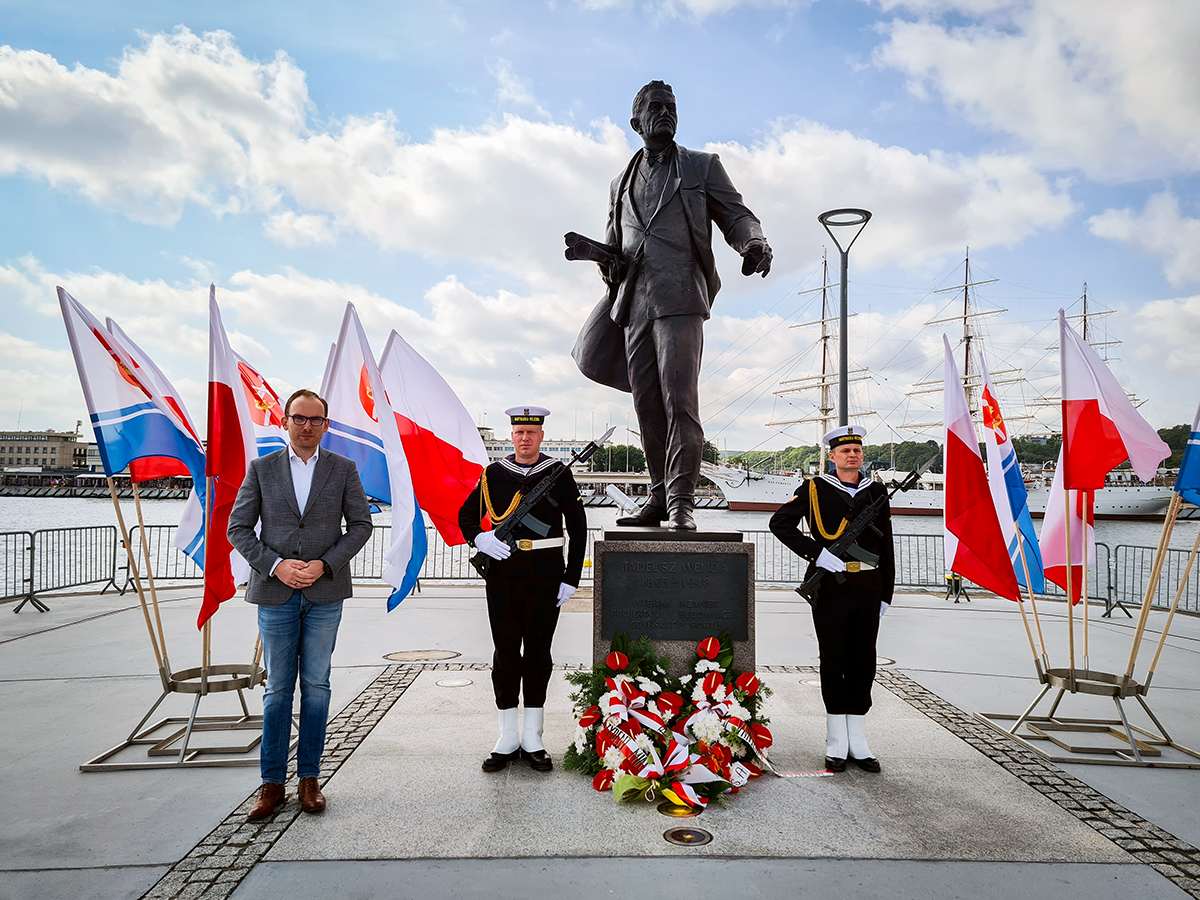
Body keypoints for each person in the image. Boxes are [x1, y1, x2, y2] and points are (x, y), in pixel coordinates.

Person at [572, 80, 772, 532]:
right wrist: (597, 256)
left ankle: (683, 500)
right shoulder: (618, 183)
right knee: (648, 407)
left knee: (679, 402)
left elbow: (737, 214)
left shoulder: (702, 167)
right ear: (635, 122)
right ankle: (659, 494)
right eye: (656, 108)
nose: (666, 113)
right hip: (633, 305)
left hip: (680, 297)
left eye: (671, 107)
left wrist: (754, 242)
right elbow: (614, 247)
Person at [228, 389, 373, 819]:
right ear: (285, 422)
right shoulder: (262, 469)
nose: (307, 426)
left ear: (325, 425)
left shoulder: (343, 470)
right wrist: (276, 566)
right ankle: (271, 784)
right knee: (276, 691)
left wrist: (324, 565)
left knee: (316, 688)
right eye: (299, 418)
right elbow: (238, 528)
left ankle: (310, 779)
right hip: (275, 594)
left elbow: (361, 525)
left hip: (325, 594)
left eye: (316, 420)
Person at [458, 406, 588, 772]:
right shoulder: (493, 474)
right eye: (519, 433)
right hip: (502, 576)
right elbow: (466, 515)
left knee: (538, 652)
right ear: (511, 436)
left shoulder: (559, 475)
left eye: (532, 432)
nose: (525, 439)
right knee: (505, 652)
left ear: (541, 436)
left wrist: (571, 578)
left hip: (546, 574)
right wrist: (480, 539)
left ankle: (533, 735)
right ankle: (507, 735)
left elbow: (578, 528)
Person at [768, 425, 894, 773]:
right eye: (845, 451)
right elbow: (780, 524)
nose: (852, 455)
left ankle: (859, 741)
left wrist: (887, 592)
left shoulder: (876, 492)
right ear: (833, 456)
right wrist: (817, 555)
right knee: (834, 659)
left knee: (864, 661)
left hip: (868, 586)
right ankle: (837, 741)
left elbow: (886, 547)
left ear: (862, 455)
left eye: (857, 449)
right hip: (832, 589)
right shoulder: (813, 489)